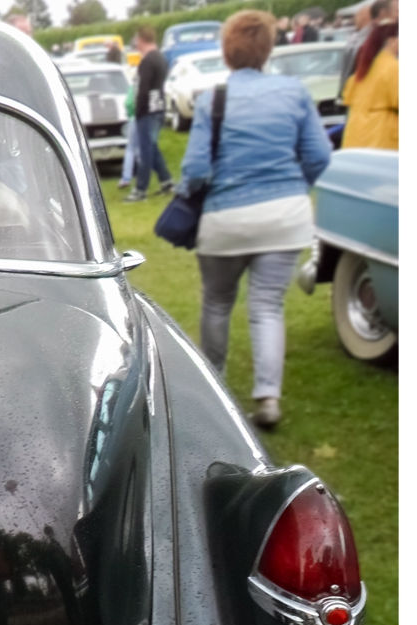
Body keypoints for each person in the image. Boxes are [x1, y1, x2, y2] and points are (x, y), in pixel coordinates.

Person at [178, 10, 331, 430]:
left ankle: (215, 388)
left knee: (217, 302)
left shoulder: (214, 99)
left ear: (227, 52)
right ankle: (268, 397)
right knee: (267, 307)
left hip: (225, 220)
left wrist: (188, 196)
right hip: (285, 217)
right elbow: (319, 156)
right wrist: (292, 187)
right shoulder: (294, 92)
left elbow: (194, 170)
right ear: (268, 49)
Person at [123, 26, 173, 203]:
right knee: (152, 147)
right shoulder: (161, 58)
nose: (135, 43)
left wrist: (137, 110)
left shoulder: (147, 62)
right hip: (159, 106)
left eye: (136, 39)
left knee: (145, 151)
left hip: (147, 110)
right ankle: (166, 181)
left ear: (141, 40)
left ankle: (140, 190)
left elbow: (143, 89)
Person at [341, 18, 398, 149]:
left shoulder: (365, 66)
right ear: (391, 41)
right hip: (381, 136)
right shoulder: (393, 67)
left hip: (355, 134)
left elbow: (347, 97)